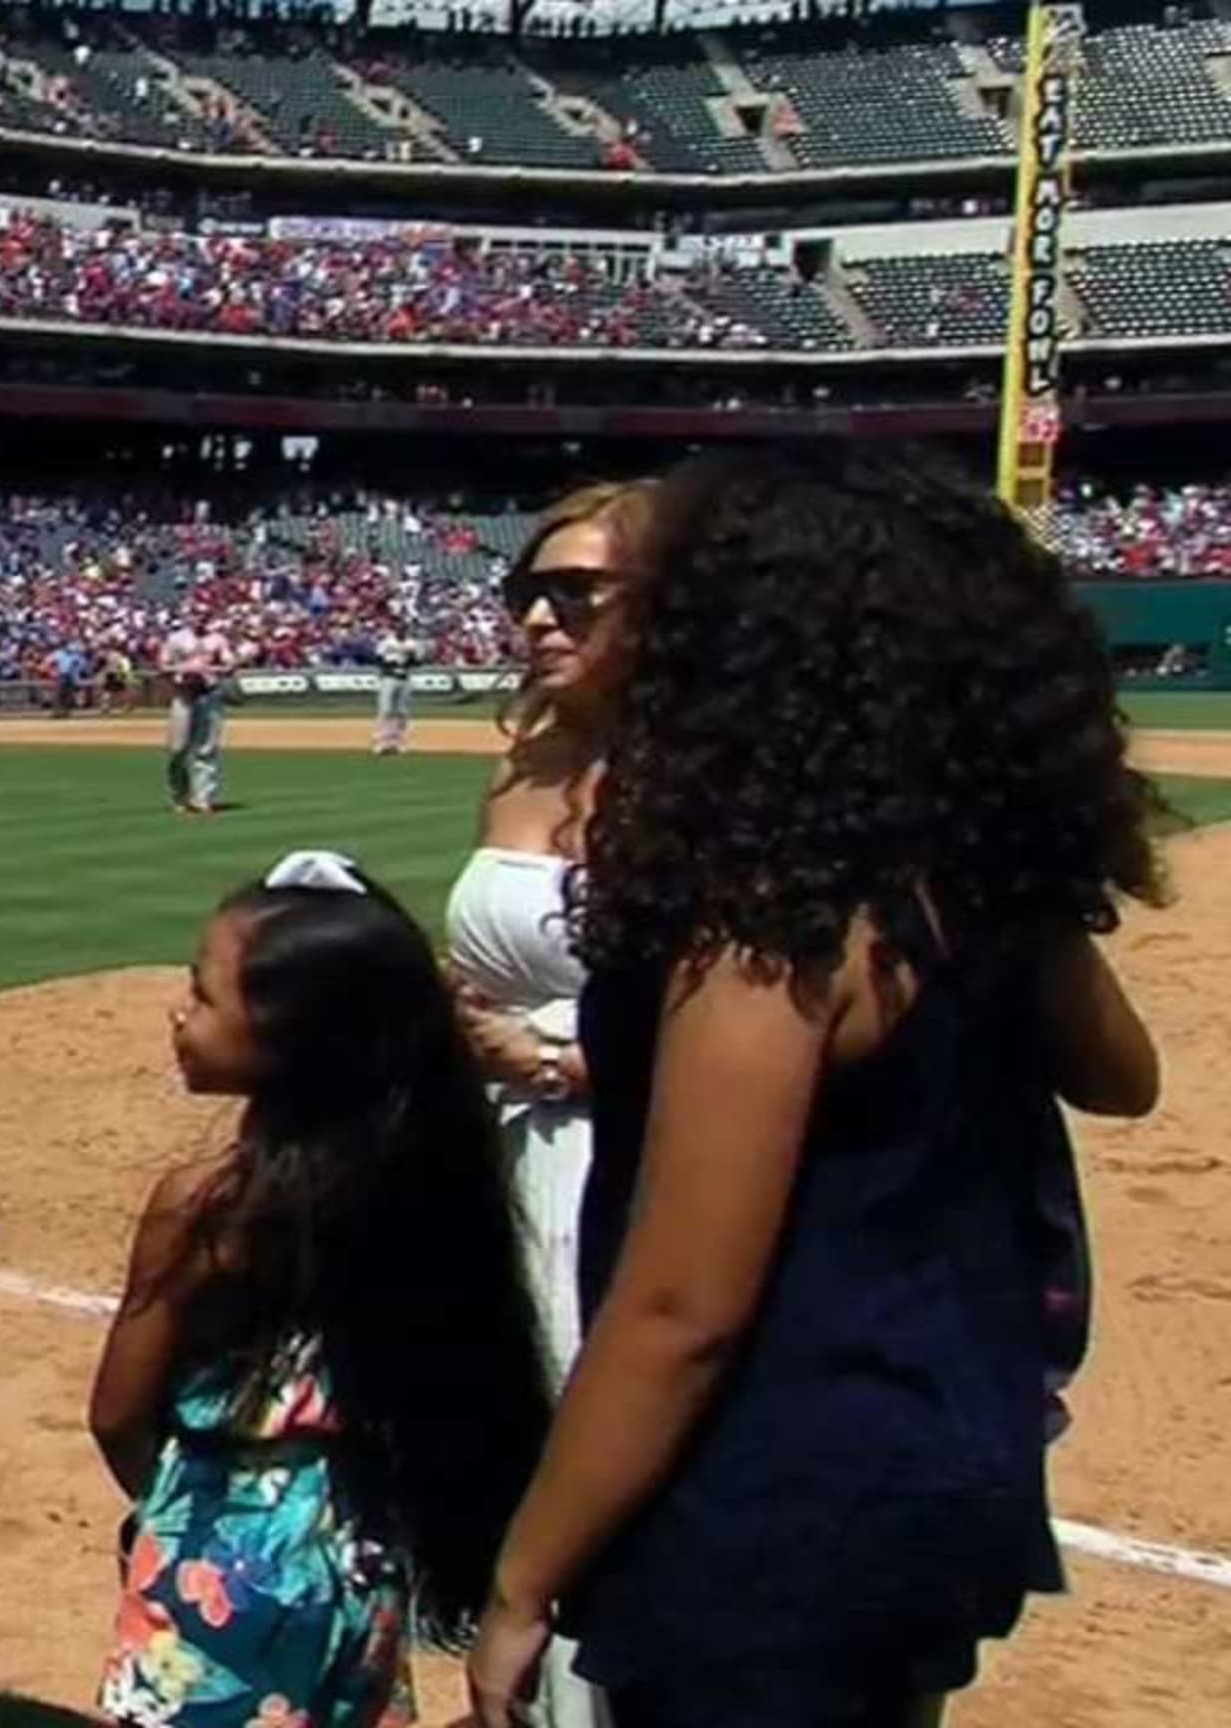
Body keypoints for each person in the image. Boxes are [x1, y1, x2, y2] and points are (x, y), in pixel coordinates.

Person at [463, 447, 1167, 1728]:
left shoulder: (765, 929)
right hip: (942, 1448)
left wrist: (523, 1580)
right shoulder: (959, 874)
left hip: (774, 1496)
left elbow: (685, 1309)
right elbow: (1123, 1079)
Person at [91, 850, 549, 1728]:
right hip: (354, 1555)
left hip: (220, 1555)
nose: (181, 1013)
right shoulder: (419, 1180)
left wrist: (182, 1519)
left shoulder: (208, 1205)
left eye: (205, 995)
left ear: (289, 1039)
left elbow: (117, 1414)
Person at [444, 482, 650, 1728]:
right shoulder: (528, 763)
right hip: (513, 1165)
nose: (537, 616)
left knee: (613, 1463)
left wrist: (568, 1065)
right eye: (527, 589)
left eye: (576, 593)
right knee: (521, 1450)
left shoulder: (730, 777)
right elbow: (491, 961)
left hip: (649, 1162)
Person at [159, 621, 232, 815]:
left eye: (205, 615)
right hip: (184, 694)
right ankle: (179, 795)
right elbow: (163, 664)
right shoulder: (177, 638)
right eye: (197, 615)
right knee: (177, 749)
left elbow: (229, 662)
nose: (201, 619)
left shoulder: (217, 639)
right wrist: (183, 669)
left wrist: (218, 668)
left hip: (208, 693)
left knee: (207, 748)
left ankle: (203, 799)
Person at [371, 629, 417, 756]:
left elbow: (416, 661)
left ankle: (398, 743)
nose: (401, 630)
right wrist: (390, 664)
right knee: (385, 710)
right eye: (398, 627)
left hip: (404, 679)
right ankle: (380, 743)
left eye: (403, 627)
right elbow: (377, 659)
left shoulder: (411, 643)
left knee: (402, 712)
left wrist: (408, 661)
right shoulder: (386, 643)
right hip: (388, 678)